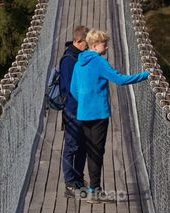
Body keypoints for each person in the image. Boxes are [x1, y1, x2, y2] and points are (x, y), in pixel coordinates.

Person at [70, 30, 150, 202]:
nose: (107, 46)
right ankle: (94, 190)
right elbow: (120, 80)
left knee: (91, 151)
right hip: (99, 113)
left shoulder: (79, 63)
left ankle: (94, 189)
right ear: (95, 45)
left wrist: (84, 101)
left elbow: (73, 89)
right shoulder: (99, 62)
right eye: (104, 43)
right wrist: (146, 75)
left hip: (84, 113)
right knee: (97, 152)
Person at [59, 26, 89, 197]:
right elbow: (71, 87)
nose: (89, 46)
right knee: (72, 146)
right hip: (72, 110)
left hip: (82, 110)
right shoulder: (69, 60)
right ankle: (69, 183)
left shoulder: (79, 56)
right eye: (87, 43)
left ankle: (78, 179)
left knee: (83, 146)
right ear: (78, 41)